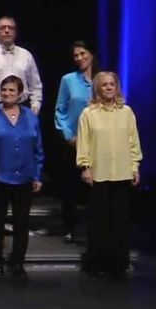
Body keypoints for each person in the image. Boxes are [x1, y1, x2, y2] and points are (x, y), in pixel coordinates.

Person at [0, 75, 44, 277]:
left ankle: (17, 261)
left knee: (21, 223)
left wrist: (38, 175)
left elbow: (38, 148)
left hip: (24, 177)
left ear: (20, 94)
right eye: (4, 90)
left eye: (11, 90)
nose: (7, 93)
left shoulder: (31, 117)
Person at [76, 71, 141, 276]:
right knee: (99, 221)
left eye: (112, 84)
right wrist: (85, 166)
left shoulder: (127, 112)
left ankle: (118, 263)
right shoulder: (89, 113)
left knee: (120, 220)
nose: (109, 88)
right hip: (99, 174)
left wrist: (135, 167)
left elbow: (133, 142)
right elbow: (83, 142)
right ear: (97, 88)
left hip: (122, 173)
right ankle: (98, 262)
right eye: (104, 85)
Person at [53, 41, 96, 243]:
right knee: (70, 187)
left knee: (95, 189)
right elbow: (60, 110)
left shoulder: (102, 80)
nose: (79, 58)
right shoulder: (68, 80)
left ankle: (94, 230)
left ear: (91, 54)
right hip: (74, 141)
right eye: (76, 55)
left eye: (82, 53)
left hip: (98, 143)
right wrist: (69, 135)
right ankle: (69, 228)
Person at [0, 16, 43, 112]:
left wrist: (35, 106)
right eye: (2, 28)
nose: (7, 31)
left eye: (10, 28)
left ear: (16, 32)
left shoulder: (26, 55)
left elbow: (35, 86)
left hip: (22, 109)